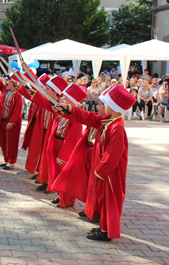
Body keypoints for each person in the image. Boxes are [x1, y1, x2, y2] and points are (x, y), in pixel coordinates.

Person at [55, 85, 136, 241]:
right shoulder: (108, 121)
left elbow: (113, 154)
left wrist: (100, 171)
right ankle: (103, 226)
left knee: (109, 201)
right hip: (104, 172)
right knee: (102, 200)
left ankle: (106, 232)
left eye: (106, 103)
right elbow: (87, 117)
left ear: (113, 107)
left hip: (110, 175)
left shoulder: (117, 128)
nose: (102, 106)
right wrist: (67, 108)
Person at [0, 62, 23, 170]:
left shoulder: (17, 95)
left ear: (14, 84)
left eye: (9, 81)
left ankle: (12, 161)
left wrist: (11, 122)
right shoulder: (4, 90)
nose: (6, 82)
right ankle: (6, 159)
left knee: (11, 142)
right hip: (2, 121)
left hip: (11, 123)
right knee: (3, 141)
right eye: (7, 80)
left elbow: (17, 111)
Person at [21, 74, 52, 178]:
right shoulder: (41, 98)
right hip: (37, 127)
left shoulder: (47, 101)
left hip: (46, 131)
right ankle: (37, 170)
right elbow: (28, 93)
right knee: (36, 150)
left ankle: (42, 174)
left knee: (43, 152)